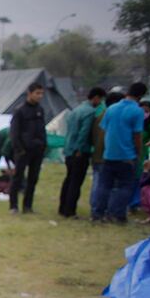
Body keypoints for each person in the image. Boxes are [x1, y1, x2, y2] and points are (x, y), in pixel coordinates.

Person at [91, 82, 146, 224]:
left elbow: (104, 129)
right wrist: (138, 153)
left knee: (104, 186)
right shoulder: (137, 111)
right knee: (125, 186)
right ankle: (116, 214)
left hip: (109, 154)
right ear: (141, 96)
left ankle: (97, 214)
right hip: (127, 155)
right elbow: (137, 136)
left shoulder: (111, 109)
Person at [58, 87, 106, 217]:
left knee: (68, 179)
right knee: (76, 182)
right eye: (100, 99)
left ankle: (62, 208)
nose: (100, 102)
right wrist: (79, 149)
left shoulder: (76, 110)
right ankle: (70, 210)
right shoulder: (90, 112)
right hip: (79, 151)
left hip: (68, 149)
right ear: (95, 97)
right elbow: (84, 132)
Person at [9, 82, 47, 214]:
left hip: (37, 150)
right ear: (29, 93)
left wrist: (43, 145)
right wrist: (19, 149)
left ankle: (28, 206)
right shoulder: (20, 111)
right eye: (37, 93)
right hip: (23, 150)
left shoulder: (40, 110)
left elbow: (42, 129)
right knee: (18, 178)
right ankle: (13, 206)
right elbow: (14, 132)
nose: (40, 96)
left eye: (41, 93)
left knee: (33, 179)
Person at [87, 90, 122, 217]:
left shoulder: (99, 116)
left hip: (97, 154)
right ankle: (101, 210)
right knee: (105, 186)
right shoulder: (113, 118)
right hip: (107, 156)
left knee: (97, 184)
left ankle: (95, 209)